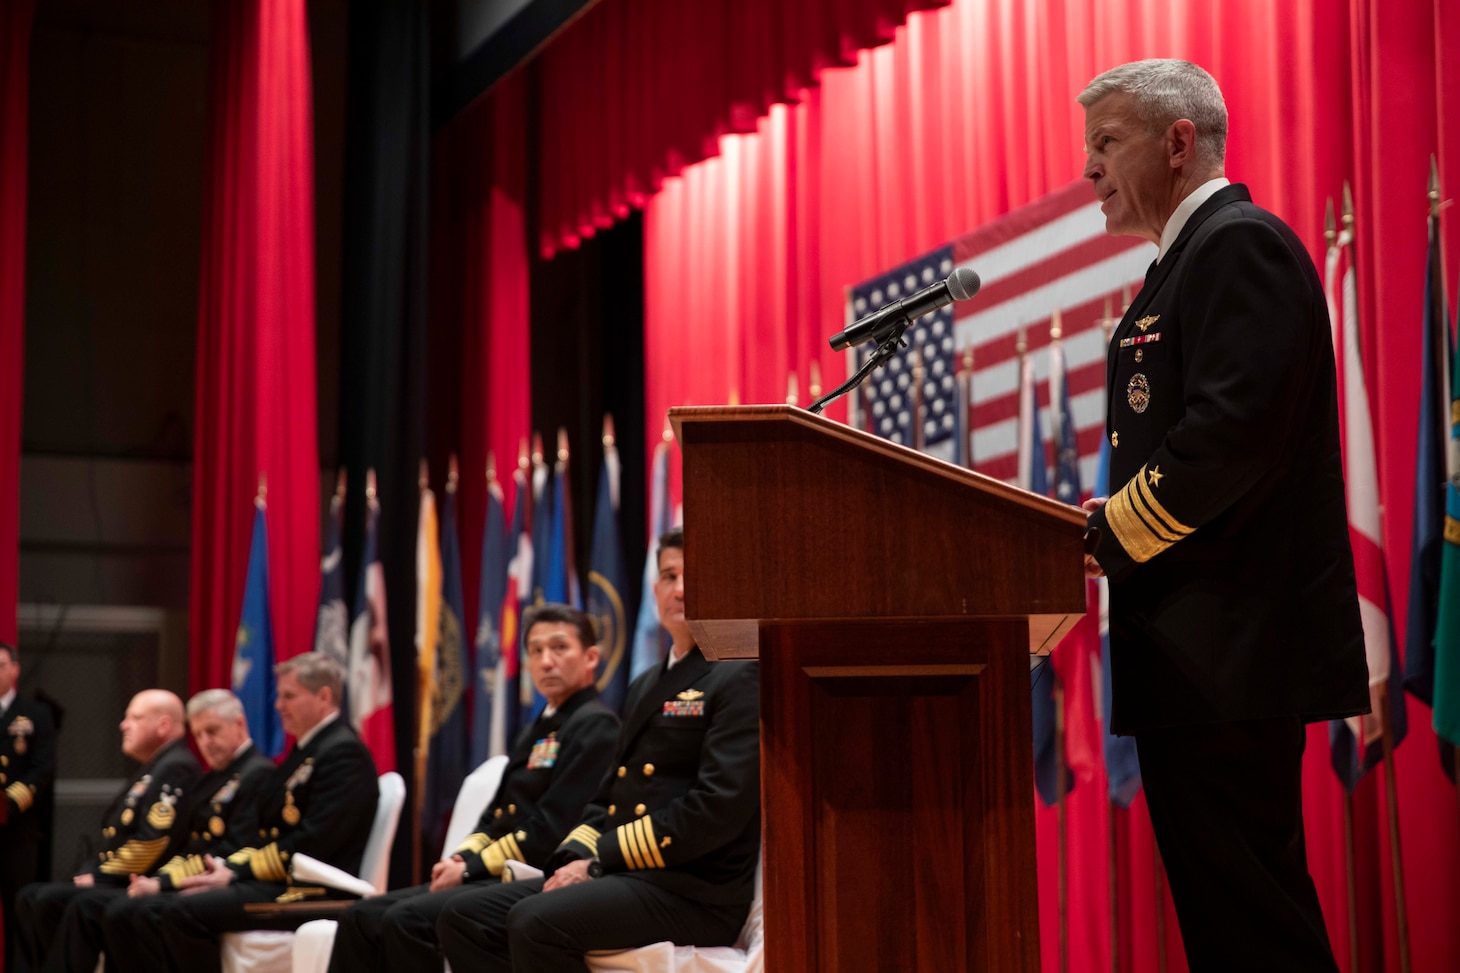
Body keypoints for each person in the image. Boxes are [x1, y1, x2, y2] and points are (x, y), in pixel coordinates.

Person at [1077, 59, 1369, 971]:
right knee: (1227, 926)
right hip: (1198, 663)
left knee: (1255, 926)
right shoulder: (1186, 263)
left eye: (1106, 143)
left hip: (1231, 659)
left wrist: (1112, 531)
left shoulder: (1239, 244)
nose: (1089, 171)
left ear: (1177, 141)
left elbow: (1229, 438)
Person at [437, 528, 761, 973]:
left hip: (694, 888)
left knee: (536, 922)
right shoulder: (646, 683)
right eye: (669, 576)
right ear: (655, 591)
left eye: (694, 575)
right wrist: (574, 859)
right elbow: (608, 796)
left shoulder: (737, 672)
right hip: (627, 875)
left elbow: (716, 808)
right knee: (463, 916)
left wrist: (600, 858)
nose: (680, 588)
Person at [325, 603, 620, 973]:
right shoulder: (539, 727)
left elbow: (550, 827)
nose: (546, 661)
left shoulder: (596, 726)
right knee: (361, 916)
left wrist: (470, 869)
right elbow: (496, 815)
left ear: (591, 656)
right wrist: (460, 858)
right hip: (492, 871)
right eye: (536, 650)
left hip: (530, 873)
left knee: (406, 920)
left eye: (559, 648)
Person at [102, 652, 378, 973]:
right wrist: (229, 871)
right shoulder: (309, 751)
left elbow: (315, 842)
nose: (279, 706)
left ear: (324, 697)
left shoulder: (343, 752)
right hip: (282, 879)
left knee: (180, 912)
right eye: (280, 697)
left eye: (289, 696)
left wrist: (235, 873)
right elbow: (266, 832)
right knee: (144, 910)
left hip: (314, 889)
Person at [16, 689, 274, 972]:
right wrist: (161, 880)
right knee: (39, 898)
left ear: (238, 724)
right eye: (199, 734)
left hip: (223, 881)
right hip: (184, 875)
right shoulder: (215, 777)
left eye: (212, 731)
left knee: (109, 908)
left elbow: (229, 849)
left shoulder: (256, 773)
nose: (205, 743)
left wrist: (160, 883)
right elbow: (190, 847)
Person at [0, 641, 58, 969]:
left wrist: (9, 802)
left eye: (0, 664)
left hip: (18, 830)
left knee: (18, 910)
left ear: (15, 669)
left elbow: (42, 768)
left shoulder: (35, 714)